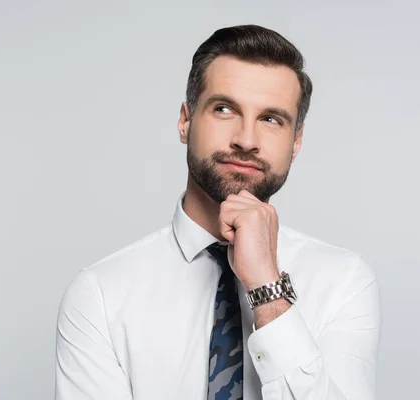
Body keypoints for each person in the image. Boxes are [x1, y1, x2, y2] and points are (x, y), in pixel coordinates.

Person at [54, 24, 380, 400]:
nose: (246, 139)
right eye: (224, 109)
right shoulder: (100, 295)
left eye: (271, 119)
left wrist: (266, 286)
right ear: (185, 120)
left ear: (297, 141)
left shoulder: (344, 282)